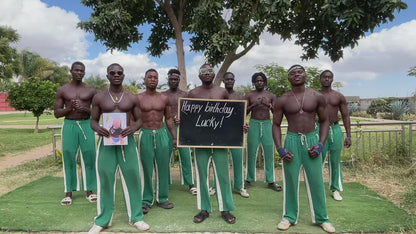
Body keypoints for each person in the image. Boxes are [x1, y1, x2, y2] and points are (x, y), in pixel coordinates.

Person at [272, 64, 335, 233]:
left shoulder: (317, 96)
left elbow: (324, 121)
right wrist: (280, 148)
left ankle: (322, 218)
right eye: (292, 73)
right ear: (289, 78)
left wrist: (321, 143)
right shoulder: (283, 99)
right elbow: (276, 125)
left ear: (305, 76)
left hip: (312, 139)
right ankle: (289, 217)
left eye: (300, 72)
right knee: (290, 181)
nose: (296, 75)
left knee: (316, 181)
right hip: (291, 140)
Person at [88, 63, 149, 233]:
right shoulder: (99, 97)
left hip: (127, 142)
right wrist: (97, 128)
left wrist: (133, 128)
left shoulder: (131, 97)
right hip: (107, 143)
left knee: (133, 177)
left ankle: (136, 217)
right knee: (105, 178)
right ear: (107, 76)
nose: (116, 75)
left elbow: (140, 120)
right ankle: (103, 220)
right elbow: (93, 120)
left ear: (123, 76)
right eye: (112, 72)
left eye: (119, 72)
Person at [187, 64, 236, 224]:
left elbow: (230, 114)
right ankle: (204, 209)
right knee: (201, 175)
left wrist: (239, 125)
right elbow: (188, 115)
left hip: (220, 141)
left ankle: (225, 209)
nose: (207, 73)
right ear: (199, 75)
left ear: (214, 74)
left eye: (210, 71)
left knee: (222, 174)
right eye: (203, 71)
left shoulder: (222, 92)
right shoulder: (193, 93)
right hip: (200, 141)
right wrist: (180, 120)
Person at [53, 61, 97, 206]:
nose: (79, 73)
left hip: (86, 124)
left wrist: (85, 109)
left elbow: (97, 112)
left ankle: (90, 191)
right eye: (76, 70)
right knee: (69, 156)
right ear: (71, 71)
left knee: (90, 155)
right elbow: (57, 113)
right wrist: (70, 107)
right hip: (70, 124)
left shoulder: (91, 90)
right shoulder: (63, 90)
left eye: (82, 71)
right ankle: (68, 193)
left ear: (84, 73)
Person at [138, 68, 177, 214]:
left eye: (155, 77)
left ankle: (162, 198)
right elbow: (133, 118)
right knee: (146, 168)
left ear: (158, 79)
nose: (153, 79)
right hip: (145, 134)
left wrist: (174, 137)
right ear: (145, 79)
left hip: (162, 134)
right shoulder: (139, 98)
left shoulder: (164, 98)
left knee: (163, 166)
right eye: (150, 77)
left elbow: (168, 118)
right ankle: (146, 200)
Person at [244, 72, 281, 191]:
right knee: (251, 152)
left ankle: (271, 181)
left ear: (264, 82)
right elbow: (244, 112)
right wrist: (253, 105)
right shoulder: (249, 95)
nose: (259, 82)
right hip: (254, 123)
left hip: (266, 124)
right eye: (257, 80)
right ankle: (249, 179)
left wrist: (268, 105)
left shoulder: (271, 95)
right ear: (254, 82)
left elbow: (277, 113)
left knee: (269, 152)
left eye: (261, 80)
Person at [163, 68, 196, 195]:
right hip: (166, 126)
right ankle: (164, 182)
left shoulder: (185, 95)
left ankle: (190, 184)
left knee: (186, 155)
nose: (173, 81)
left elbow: (191, 112)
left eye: (175, 79)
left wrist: (183, 119)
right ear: (168, 79)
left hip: (182, 127)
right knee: (164, 156)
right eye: (171, 79)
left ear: (179, 80)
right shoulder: (163, 95)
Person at [320, 70, 352, 201]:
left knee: (335, 161)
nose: (327, 79)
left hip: (335, 129)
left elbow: (345, 115)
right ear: (320, 79)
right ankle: (317, 187)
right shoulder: (315, 95)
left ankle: (335, 189)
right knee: (317, 160)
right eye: (324, 77)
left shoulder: (338, 96)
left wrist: (348, 136)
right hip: (320, 129)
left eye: (329, 77)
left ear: (332, 79)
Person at [222, 72, 249, 198]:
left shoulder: (239, 96)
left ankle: (239, 186)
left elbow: (243, 114)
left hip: (236, 132)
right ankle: (219, 185)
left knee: (238, 160)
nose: (229, 81)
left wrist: (245, 124)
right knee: (220, 161)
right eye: (227, 79)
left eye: (231, 79)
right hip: (220, 131)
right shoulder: (218, 94)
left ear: (234, 80)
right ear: (223, 80)